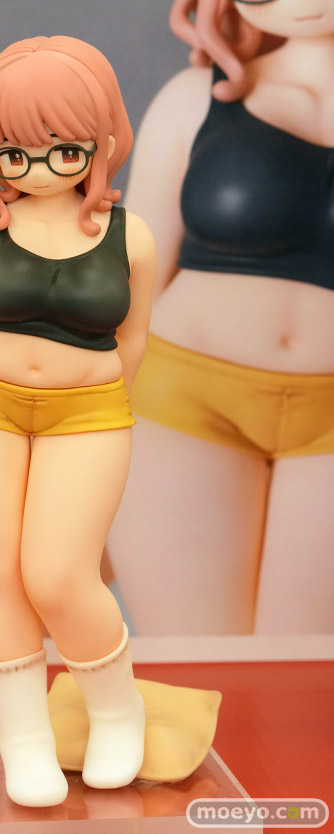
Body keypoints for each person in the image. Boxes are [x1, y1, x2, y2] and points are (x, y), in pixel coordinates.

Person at [0, 36, 157, 807]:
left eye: (62, 149)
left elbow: (133, 340)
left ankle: (117, 710)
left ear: (100, 141)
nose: (34, 168)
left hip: (88, 416)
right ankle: (23, 740)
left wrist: (87, 395)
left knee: (59, 574)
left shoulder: (131, 236)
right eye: (12, 152)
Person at [107, 0, 334, 637]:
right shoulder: (195, 98)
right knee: (199, 669)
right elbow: (130, 281)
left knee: (306, 680)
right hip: (180, 402)